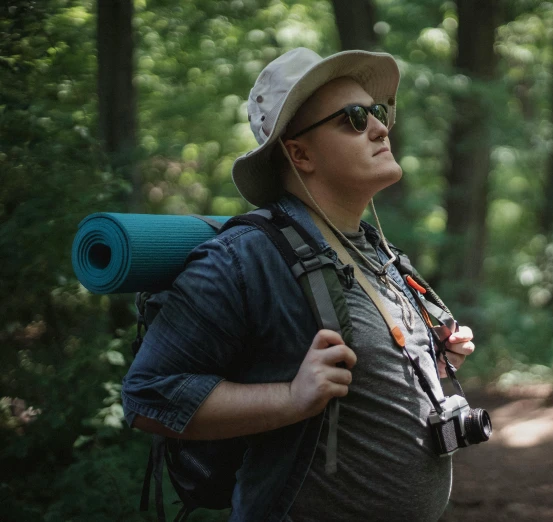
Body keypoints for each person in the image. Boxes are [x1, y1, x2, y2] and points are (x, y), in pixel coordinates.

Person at [122, 47, 476, 521]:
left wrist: (434, 353)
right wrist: (289, 400)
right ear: (299, 153)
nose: (380, 127)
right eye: (353, 118)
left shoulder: (374, 249)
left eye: (376, 111)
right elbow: (148, 396)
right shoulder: (246, 256)